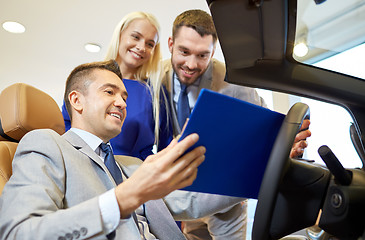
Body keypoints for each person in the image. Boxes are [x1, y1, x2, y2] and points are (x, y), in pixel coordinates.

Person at [0, 60, 244, 240]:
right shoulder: (46, 144)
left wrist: (261, 174)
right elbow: (19, 233)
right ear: (76, 100)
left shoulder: (130, 165)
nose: (122, 102)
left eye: (124, 97)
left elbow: (190, 201)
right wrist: (123, 198)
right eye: (109, 92)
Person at [161, 9, 312, 240]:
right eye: (184, 52)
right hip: (184, 187)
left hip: (225, 195)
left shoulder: (235, 83)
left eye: (203, 55)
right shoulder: (156, 78)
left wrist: (284, 143)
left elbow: (258, 130)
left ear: (213, 52)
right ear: (171, 44)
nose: (191, 64)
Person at [61, 11, 172, 160]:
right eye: (136, 37)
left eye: (150, 44)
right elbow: (66, 127)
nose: (141, 47)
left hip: (136, 173)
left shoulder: (156, 93)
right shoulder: (87, 78)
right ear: (120, 35)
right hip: (86, 166)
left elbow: (165, 147)